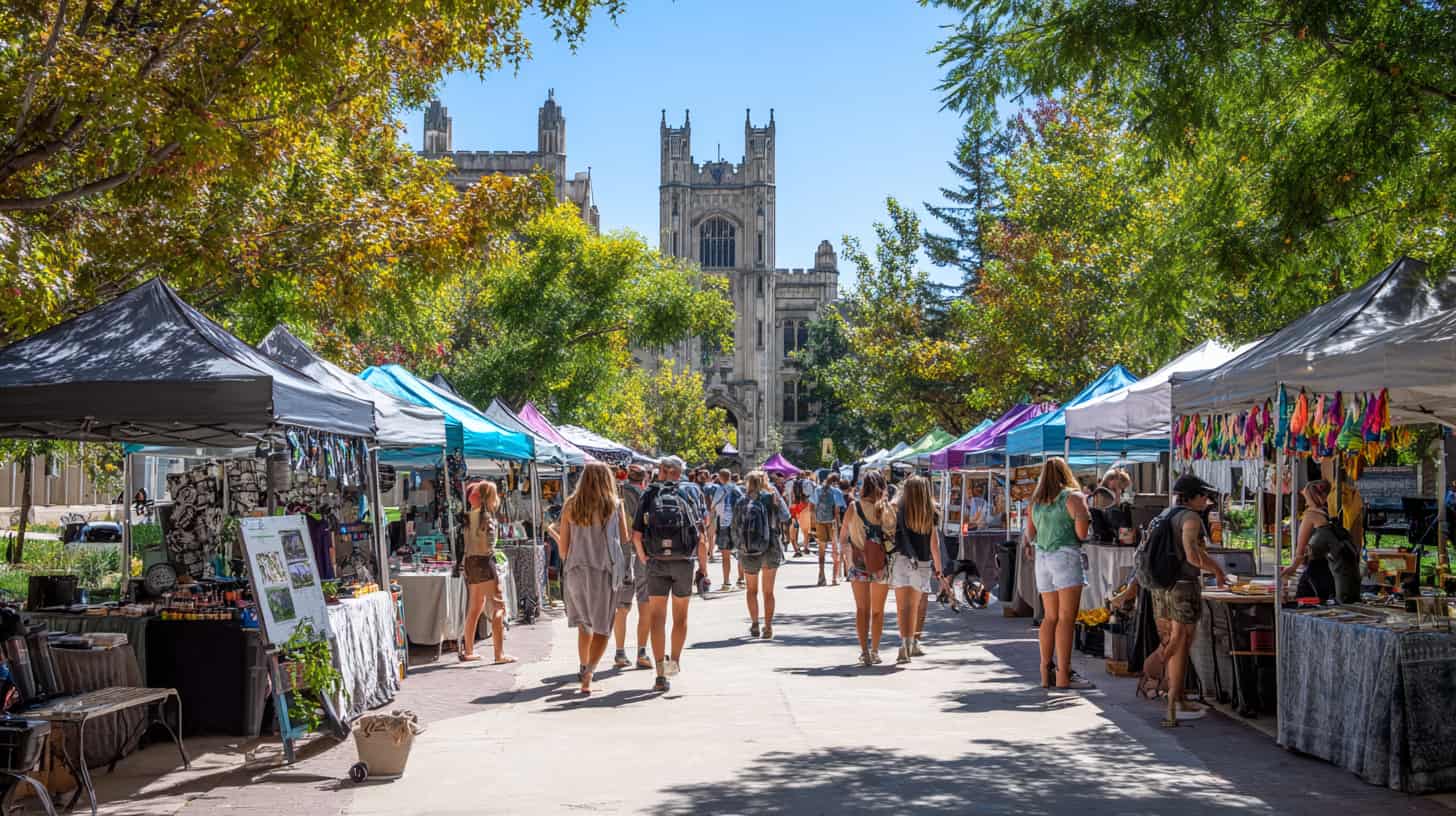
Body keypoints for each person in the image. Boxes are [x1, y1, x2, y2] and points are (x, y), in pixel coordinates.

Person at [1153, 474, 1229, 724]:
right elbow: (1192, 555)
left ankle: (1175, 696)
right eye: (1203, 495)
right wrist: (1217, 570)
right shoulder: (1190, 518)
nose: (1206, 500)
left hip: (1162, 587)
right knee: (1181, 641)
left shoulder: (1166, 514)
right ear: (1192, 497)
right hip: (1183, 587)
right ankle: (1166, 688)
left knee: (1174, 640)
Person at [631, 455, 709, 693]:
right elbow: (702, 535)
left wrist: (645, 558)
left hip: (656, 561)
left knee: (657, 617)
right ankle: (673, 661)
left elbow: (636, 535)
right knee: (680, 617)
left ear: (663, 470)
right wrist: (703, 568)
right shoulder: (691, 492)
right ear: (679, 472)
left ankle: (659, 674)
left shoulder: (649, 493)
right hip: (683, 561)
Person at [558, 462, 630, 694]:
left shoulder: (570, 505)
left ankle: (582, 666)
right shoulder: (613, 505)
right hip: (603, 572)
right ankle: (589, 671)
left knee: (584, 624)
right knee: (602, 627)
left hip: (576, 571)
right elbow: (624, 539)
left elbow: (562, 548)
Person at [1023, 457, 1091, 690]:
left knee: (1049, 617)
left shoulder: (1036, 502)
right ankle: (1063, 675)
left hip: (1042, 558)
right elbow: (1082, 534)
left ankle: (1045, 671)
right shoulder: (1073, 497)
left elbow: (1030, 535)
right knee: (1066, 618)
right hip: (1065, 556)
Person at [839, 470, 895, 666]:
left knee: (861, 609)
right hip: (880, 565)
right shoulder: (885, 509)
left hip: (859, 564)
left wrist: (846, 559)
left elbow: (843, 535)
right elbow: (892, 537)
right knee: (878, 611)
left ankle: (864, 651)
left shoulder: (853, 507)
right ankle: (875, 650)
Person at [1280, 480, 1359, 604]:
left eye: (1305, 494)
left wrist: (1292, 567)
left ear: (1312, 495)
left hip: (1316, 570)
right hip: (1330, 570)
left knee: (1304, 604)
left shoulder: (1310, 515)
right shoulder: (1327, 513)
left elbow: (1300, 550)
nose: (1303, 496)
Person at [891, 476, 943, 663]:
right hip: (921, 564)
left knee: (901, 607)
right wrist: (940, 572)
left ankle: (904, 644)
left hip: (901, 560)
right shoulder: (931, 513)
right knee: (913, 607)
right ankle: (911, 643)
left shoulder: (898, 510)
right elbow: (934, 546)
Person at [461, 481, 514, 664]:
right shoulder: (487, 519)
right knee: (499, 607)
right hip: (484, 563)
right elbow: (487, 545)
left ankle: (468, 650)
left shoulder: (469, 516)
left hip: (470, 563)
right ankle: (499, 654)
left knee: (475, 607)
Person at [735, 470, 791, 638]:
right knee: (768, 592)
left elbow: (735, 526)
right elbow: (785, 516)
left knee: (751, 590)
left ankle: (754, 624)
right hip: (771, 545)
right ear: (764, 482)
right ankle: (768, 626)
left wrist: (738, 546)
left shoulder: (742, 501)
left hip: (748, 548)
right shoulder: (772, 496)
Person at [612, 465, 654, 670]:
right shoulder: (648, 496)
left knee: (622, 606)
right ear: (644, 479)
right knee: (645, 603)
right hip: (643, 554)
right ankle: (642, 651)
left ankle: (620, 653)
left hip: (620, 556)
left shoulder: (614, 497)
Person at [711, 469, 744, 591]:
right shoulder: (737, 489)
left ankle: (726, 582)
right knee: (740, 553)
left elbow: (713, 506)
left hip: (724, 524)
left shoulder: (720, 489)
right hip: (737, 525)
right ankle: (741, 579)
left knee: (726, 555)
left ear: (720, 477)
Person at [812, 473, 843, 586]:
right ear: (836, 482)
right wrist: (838, 524)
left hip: (820, 522)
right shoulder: (837, 492)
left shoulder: (817, 490)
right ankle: (834, 578)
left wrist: (815, 522)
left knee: (821, 551)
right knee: (835, 550)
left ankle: (821, 576)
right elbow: (837, 511)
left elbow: (812, 507)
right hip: (832, 523)